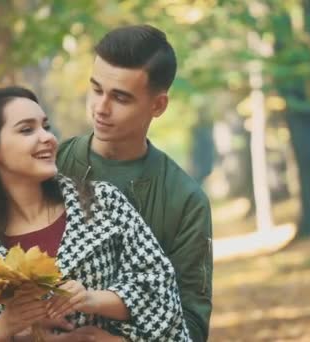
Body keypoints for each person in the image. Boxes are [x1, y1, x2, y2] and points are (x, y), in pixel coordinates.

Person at [0, 86, 190, 341]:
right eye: (27, 129)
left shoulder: (102, 202)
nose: (48, 138)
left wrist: (92, 300)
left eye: (46, 126)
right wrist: (3, 328)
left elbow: (160, 290)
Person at [56, 24, 213, 342]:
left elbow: (192, 325)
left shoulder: (184, 200)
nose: (101, 108)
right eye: (96, 89)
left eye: (120, 98)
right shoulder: (50, 165)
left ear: (158, 105)